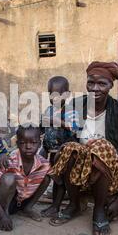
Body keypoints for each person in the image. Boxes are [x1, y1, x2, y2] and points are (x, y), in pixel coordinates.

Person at [46, 61, 118, 235]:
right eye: (91, 82)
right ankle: (74, 204)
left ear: (111, 86)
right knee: (70, 148)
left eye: (102, 84)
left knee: (100, 146)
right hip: (79, 174)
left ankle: (98, 210)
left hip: (109, 176)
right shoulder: (76, 106)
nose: (95, 88)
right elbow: (60, 140)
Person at [0, 125, 52, 231]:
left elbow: (58, 179)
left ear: (39, 144)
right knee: (8, 178)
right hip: (8, 201)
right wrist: (2, 215)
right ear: (17, 144)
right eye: (23, 143)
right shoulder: (9, 161)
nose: (28, 146)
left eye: (33, 143)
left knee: (46, 178)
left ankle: (28, 208)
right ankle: (5, 213)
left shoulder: (43, 163)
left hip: (24, 199)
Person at [39, 76, 79, 218]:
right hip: (51, 152)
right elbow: (41, 130)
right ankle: (54, 206)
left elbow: (74, 129)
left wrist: (57, 121)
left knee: (61, 181)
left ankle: (56, 206)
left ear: (67, 95)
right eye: (51, 94)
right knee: (56, 181)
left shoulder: (71, 111)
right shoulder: (48, 110)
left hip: (65, 154)